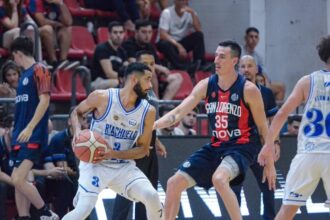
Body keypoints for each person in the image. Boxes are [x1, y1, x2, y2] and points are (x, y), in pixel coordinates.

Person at [154, 40, 276, 220]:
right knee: (173, 183)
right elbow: (179, 112)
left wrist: (270, 164)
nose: (216, 60)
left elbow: (263, 128)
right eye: (216, 55)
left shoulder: (248, 89)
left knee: (219, 179)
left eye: (222, 57)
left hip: (242, 147)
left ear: (234, 61)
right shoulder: (206, 85)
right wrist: (154, 125)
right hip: (217, 146)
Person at [62, 62, 164, 220]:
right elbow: (77, 112)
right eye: (148, 79)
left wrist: (112, 154)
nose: (151, 85)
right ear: (134, 80)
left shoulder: (148, 111)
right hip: (94, 164)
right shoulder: (102, 97)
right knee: (82, 210)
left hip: (123, 167)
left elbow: (143, 150)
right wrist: (77, 131)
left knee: (151, 196)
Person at [262, 36, 330, 220]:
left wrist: (268, 144)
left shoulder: (307, 82)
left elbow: (282, 114)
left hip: (307, 155)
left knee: (287, 211)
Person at [112, 53, 167, 220]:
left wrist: (156, 140)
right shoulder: (132, 91)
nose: (149, 66)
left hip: (149, 148)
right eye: (145, 63)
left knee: (148, 194)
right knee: (126, 193)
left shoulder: (149, 88)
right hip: (134, 149)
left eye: (152, 63)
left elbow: (150, 122)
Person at [9, 36, 58, 219]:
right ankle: (24, 216)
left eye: (14, 56)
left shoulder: (40, 70)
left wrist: (30, 128)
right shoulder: (23, 77)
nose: (13, 60)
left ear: (19, 54)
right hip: (19, 136)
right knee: (19, 182)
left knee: (18, 179)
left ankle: (47, 214)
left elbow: (45, 100)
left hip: (32, 136)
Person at [234, 55, 279, 220]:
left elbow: (273, 120)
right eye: (243, 66)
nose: (246, 69)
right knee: (235, 189)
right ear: (238, 69)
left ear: (256, 69)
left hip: (260, 146)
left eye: (249, 66)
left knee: (269, 186)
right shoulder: (233, 91)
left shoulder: (266, 93)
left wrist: (276, 142)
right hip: (238, 147)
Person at [122, 20, 183, 99]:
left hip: (152, 80)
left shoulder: (150, 46)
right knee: (151, 71)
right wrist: (158, 67)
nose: (147, 35)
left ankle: (163, 105)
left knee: (177, 77)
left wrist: (161, 71)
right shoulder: (128, 44)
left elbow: (157, 63)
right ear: (136, 32)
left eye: (150, 32)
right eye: (144, 32)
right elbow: (133, 62)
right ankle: (156, 103)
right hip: (135, 78)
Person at [156, 0, 205, 73]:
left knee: (198, 36)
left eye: (183, 0)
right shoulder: (167, 12)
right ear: (174, 2)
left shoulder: (190, 13)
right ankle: (183, 67)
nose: (181, 2)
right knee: (164, 44)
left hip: (181, 42)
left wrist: (192, 13)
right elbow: (163, 34)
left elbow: (199, 30)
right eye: (179, 0)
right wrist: (179, 46)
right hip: (168, 42)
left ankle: (198, 64)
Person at [242, 27, 285, 101]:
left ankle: (273, 111)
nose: (253, 39)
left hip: (257, 82)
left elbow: (264, 72)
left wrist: (266, 80)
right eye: (251, 36)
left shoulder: (258, 57)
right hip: (243, 82)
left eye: (256, 37)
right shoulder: (239, 52)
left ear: (258, 39)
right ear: (246, 38)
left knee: (281, 87)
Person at [28, 0, 73, 70]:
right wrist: (58, 24)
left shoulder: (57, 3)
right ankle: (53, 62)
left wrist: (61, 4)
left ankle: (62, 61)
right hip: (36, 33)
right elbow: (41, 21)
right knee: (47, 29)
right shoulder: (36, 1)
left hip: (54, 32)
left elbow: (69, 22)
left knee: (66, 31)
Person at [91, 21, 128, 90]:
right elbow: (109, 73)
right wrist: (126, 78)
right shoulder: (102, 48)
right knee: (119, 83)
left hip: (117, 79)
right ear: (109, 34)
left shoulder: (122, 51)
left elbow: (126, 69)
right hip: (98, 81)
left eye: (121, 32)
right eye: (115, 32)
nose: (118, 35)